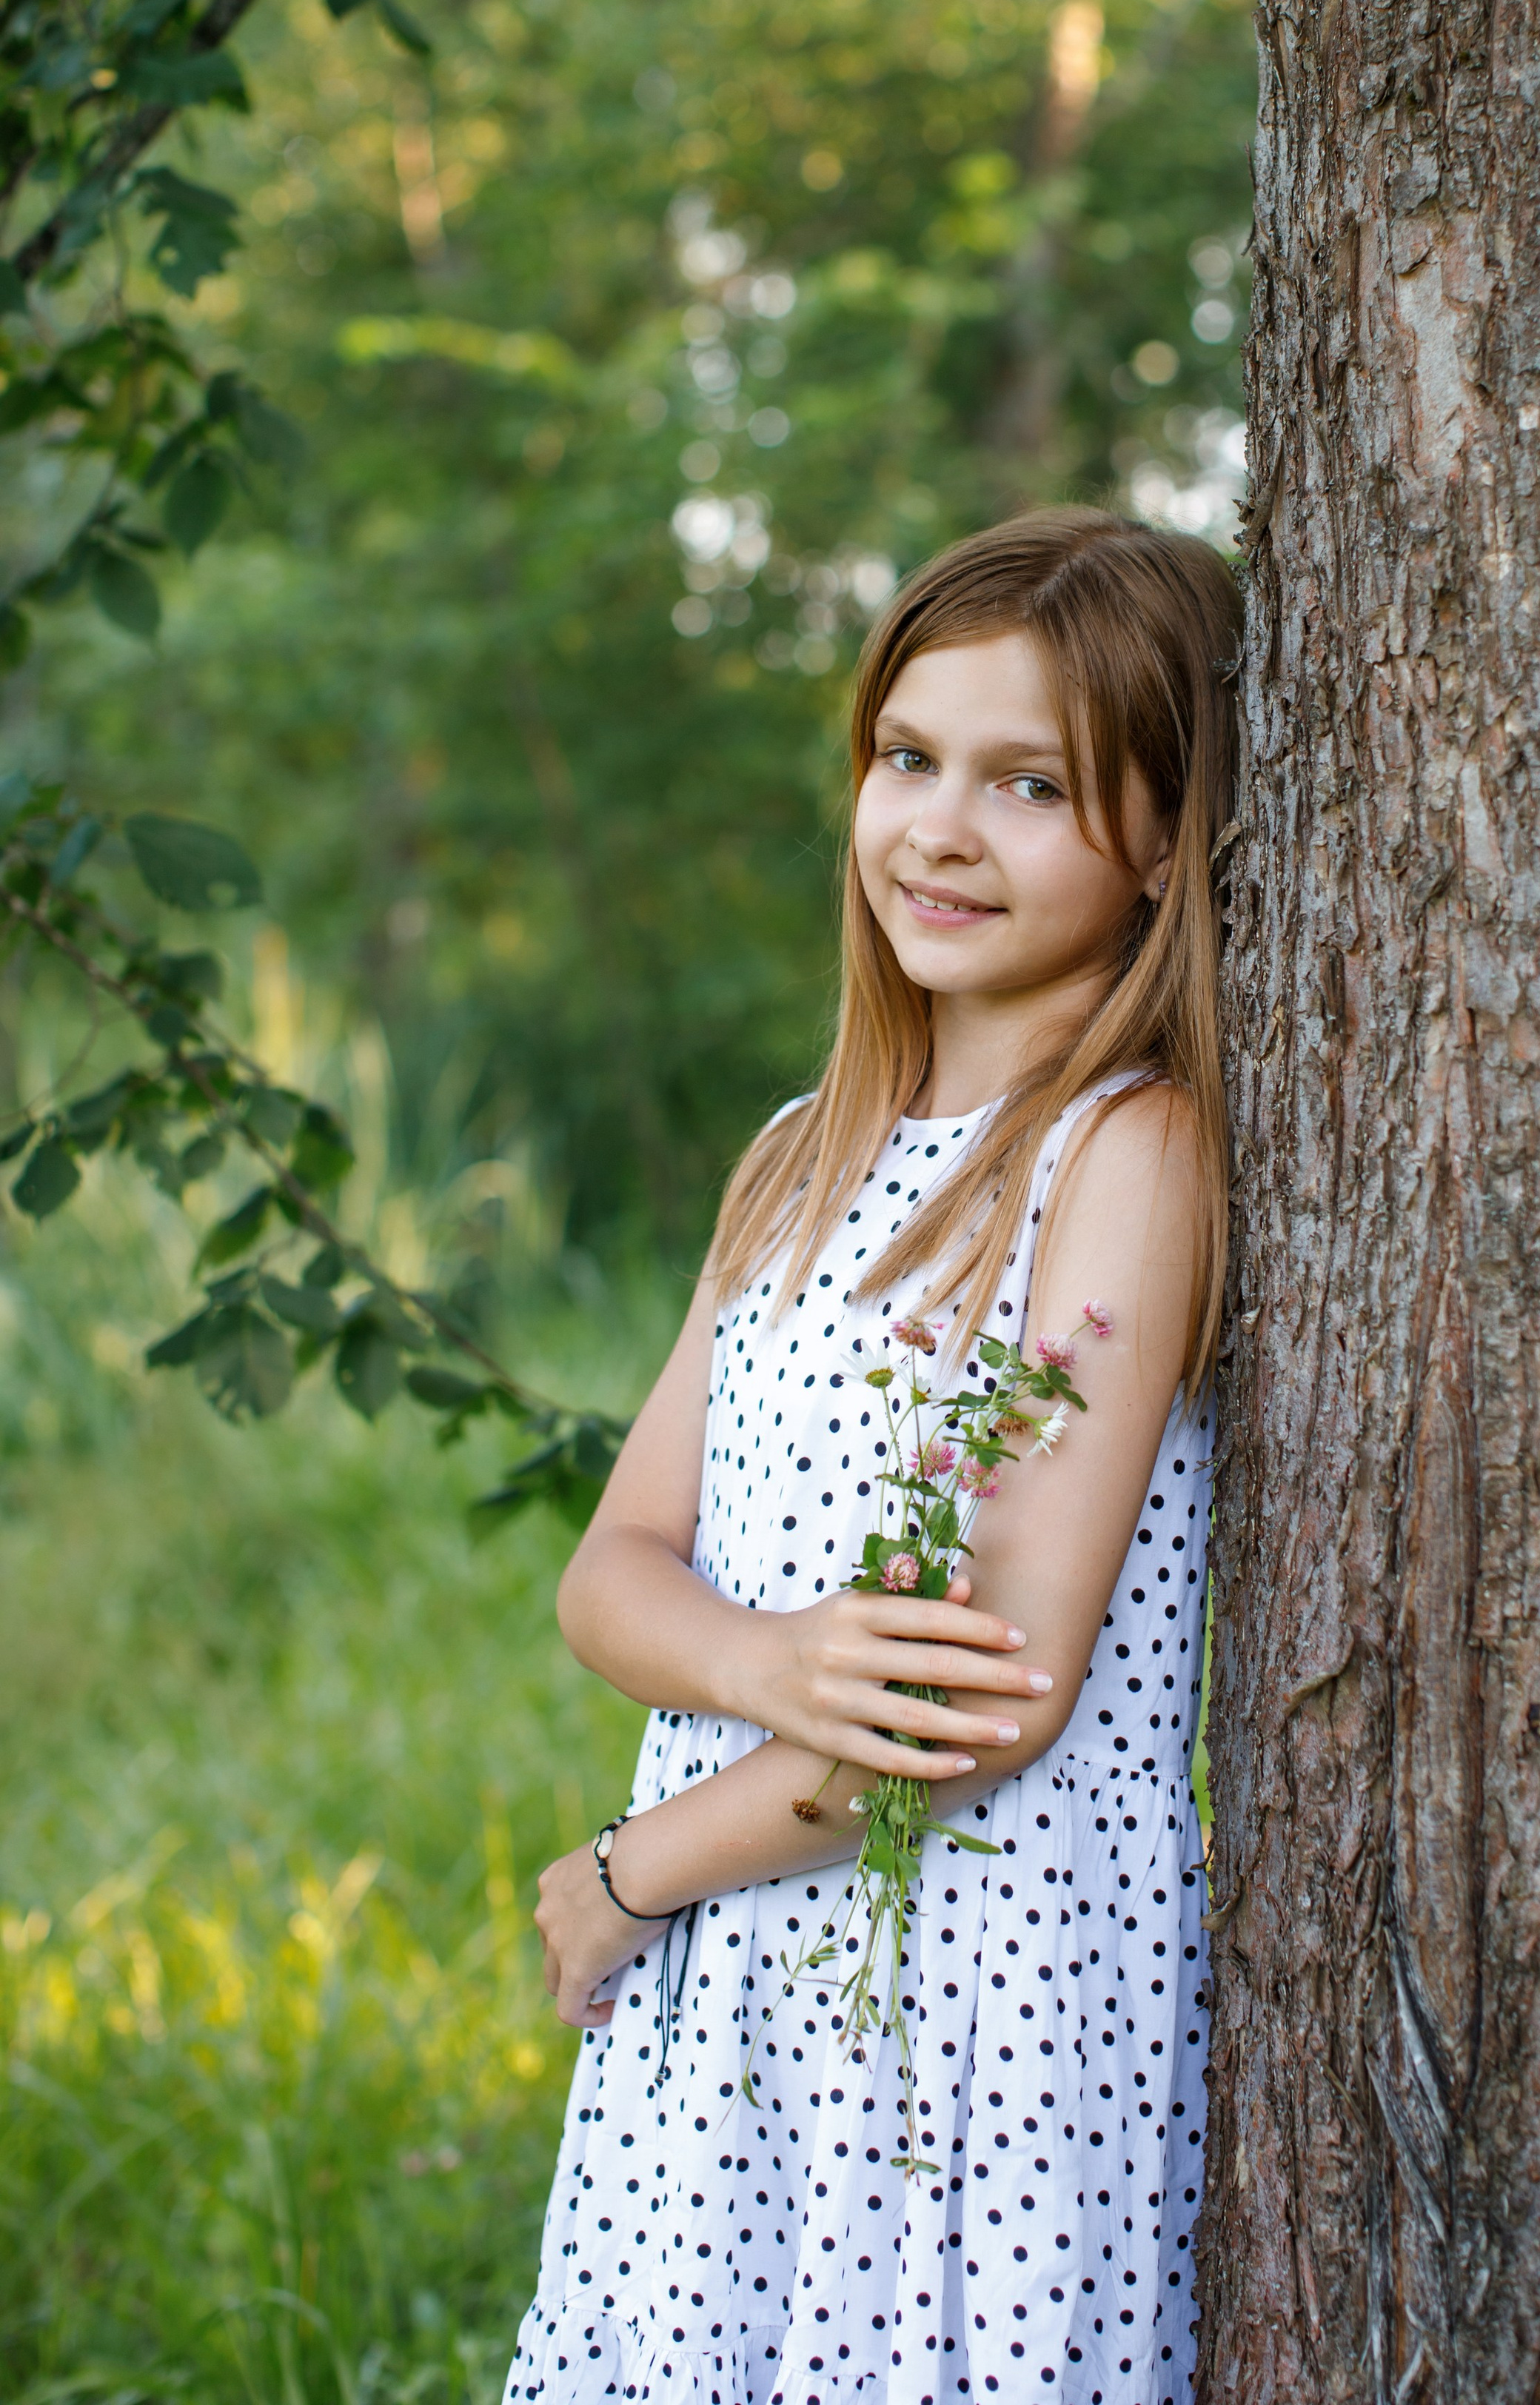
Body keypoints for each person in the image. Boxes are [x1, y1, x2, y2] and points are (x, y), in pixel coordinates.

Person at [511, 506, 1241, 2405]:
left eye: (1028, 786)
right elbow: (612, 1565)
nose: (936, 826)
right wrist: (763, 1662)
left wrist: (636, 1867)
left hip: (970, 2006)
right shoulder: (798, 1151)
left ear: (1165, 834)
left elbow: (982, 1696)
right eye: (909, 760)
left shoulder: (1124, 1158)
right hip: (742, 1987)